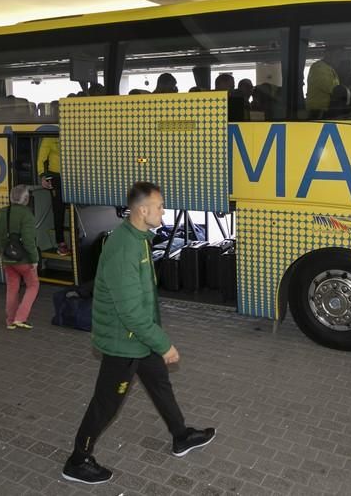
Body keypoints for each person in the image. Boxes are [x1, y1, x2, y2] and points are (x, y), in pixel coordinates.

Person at [62, 182, 215, 485]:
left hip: (140, 339)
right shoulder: (124, 247)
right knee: (106, 404)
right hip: (124, 343)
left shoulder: (139, 238)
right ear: (143, 210)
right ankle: (77, 460)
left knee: (159, 384)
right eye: (159, 206)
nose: (162, 210)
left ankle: (180, 436)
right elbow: (130, 312)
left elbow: (143, 298)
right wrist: (164, 344)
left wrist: (154, 338)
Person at [0, 185, 40, 329]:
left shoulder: (2, 212)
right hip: (23, 260)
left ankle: (10, 320)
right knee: (33, 285)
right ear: (26, 199)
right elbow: (29, 240)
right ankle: (21, 317)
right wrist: (35, 259)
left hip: (7, 259)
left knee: (12, 288)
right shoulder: (27, 214)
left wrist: (0, 251)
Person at [37, 136, 69, 255]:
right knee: (58, 209)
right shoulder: (49, 136)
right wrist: (42, 176)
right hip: (56, 176)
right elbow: (41, 158)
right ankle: (60, 242)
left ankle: (79, 239)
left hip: (73, 175)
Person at [306, 46, 341, 115]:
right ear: (327, 54)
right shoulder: (319, 68)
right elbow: (331, 88)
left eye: (339, 56)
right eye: (337, 55)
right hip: (317, 112)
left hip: (325, 110)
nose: (339, 59)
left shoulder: (329, 68)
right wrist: (343, 91)